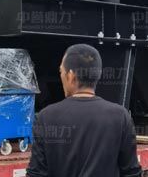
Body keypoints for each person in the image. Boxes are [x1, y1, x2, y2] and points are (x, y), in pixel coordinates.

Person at [26, 44, 142, 177]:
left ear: (71, 75)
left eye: (61, 72)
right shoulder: (120, 116)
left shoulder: (46, 117)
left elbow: (36, 173)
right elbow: (132, 172)